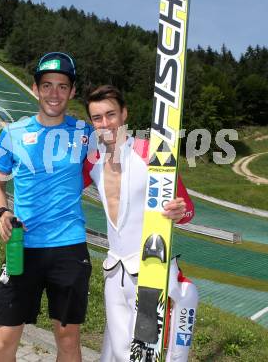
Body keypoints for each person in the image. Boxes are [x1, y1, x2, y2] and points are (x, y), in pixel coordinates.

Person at [0, 52, 93, 362]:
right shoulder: (12, 133)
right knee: (3, 339)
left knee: (68, 339)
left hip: (69, 247)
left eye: (63, 86)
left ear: (72, 92)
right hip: (23, 247)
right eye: (47, 85)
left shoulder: (86, 134)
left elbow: (119, 171)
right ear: (35, 89)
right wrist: (1, 211)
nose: (54, 93)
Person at [83, 85, 198, 362]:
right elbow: (62, 191)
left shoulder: (153, 153)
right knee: (116, 351)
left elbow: (188, 210)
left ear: (124, 114)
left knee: (148, 352)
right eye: (97, 118)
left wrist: (180, 211)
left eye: (111, 114)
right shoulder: (92, 161)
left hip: (152, 269)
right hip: (113, 270)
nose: (105, 123)